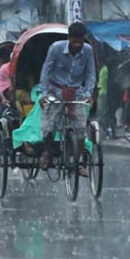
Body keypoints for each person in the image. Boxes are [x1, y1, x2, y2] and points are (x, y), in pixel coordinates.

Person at [38, 22, 96, 174]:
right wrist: (43, 93)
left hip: (76, 91)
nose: (77, 45)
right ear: (69, 38)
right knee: (48, 127)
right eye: (74, 41)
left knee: (80, 127)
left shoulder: (88, 51)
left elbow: (90, 74)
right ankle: (47, 152)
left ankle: (80, 161)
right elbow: (46, 70)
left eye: (80, 41)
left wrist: (89, 93)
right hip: (55, 90)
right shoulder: (56, 48)